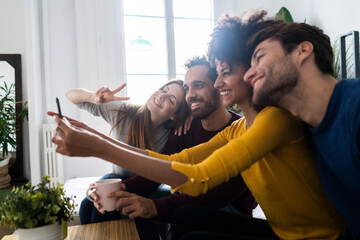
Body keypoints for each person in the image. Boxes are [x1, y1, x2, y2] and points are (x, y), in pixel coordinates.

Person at [50, 11, 346, 240]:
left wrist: (98, 147)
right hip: (280, 232)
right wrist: (93, 136)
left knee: (191, 229)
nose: (219, 83)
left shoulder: (275, 119)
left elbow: (200, 177)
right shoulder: (238, 129)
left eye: (225, 73)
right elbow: (177, 161)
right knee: (186, 219)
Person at [108, 56, 256, 235]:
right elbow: (165, 165)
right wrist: (120, 190)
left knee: (182, 216)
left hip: (230, 209)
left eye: (198, 85)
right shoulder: (185, 128)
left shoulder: (242, 130)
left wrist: (154, 207)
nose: (190, 95)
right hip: (190, 199)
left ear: (218, 86)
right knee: (125, 203)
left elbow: (216, 195)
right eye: (187, 88)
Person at [243, 19, 360, 239]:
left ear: (302, 50)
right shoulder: (301, 130)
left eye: (259, 57)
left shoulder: (355, 109)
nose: (248, 75)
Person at [65, 79, 190, 229]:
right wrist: (94, 97)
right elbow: (71, 95)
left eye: (171, 99)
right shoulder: (123, 111)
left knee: (125, 208)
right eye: (164, 90)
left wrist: (190, 117)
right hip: (118, 177)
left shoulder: (174, 134)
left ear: (174, 115)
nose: (162, 96)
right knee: (87, 205)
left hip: (148, 185)